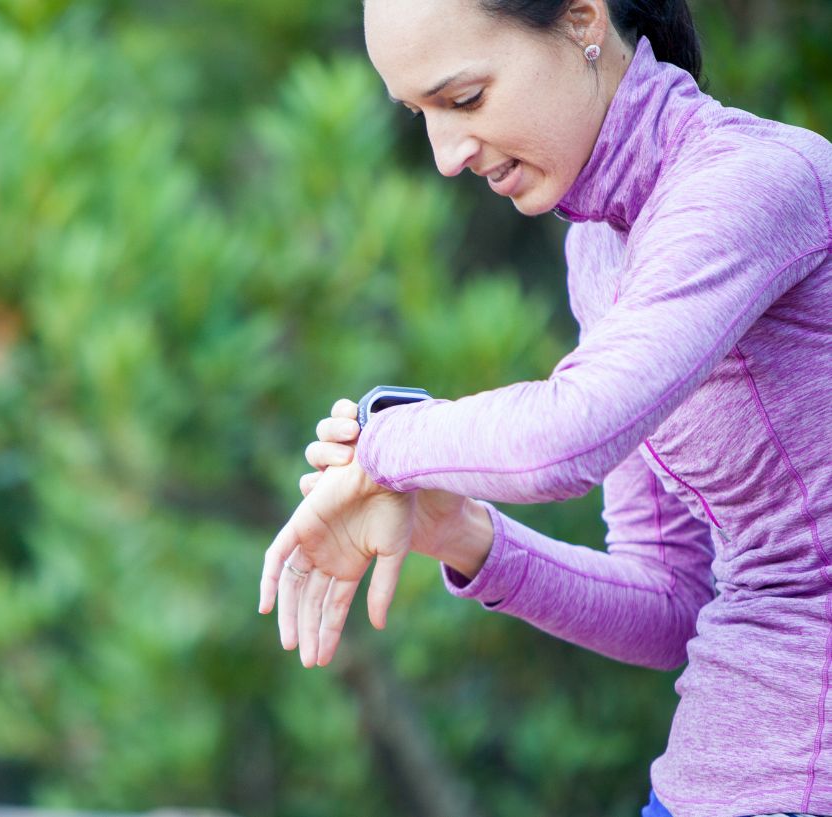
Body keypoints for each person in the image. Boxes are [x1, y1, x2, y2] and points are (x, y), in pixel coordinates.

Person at [255, 0, 832, 815]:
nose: (447, 155)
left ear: (582, 21)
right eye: (420, 116)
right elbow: (673, 598)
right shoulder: (598, 246)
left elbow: (569, 434)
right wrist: (462, 535)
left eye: (463, 100)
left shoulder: (749, 182)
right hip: (702, 782)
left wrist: (384, 440)